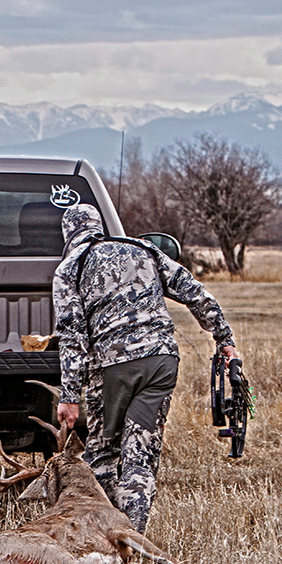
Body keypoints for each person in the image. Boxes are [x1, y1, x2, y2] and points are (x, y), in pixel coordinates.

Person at [52, 204, 237, 533]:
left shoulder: (70, 268)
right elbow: (194, 292)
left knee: (103, 455)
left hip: (112, 370)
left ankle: (107, 537)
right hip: (161, 362)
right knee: (140, 456)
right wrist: (223, 337)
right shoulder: (143, 248)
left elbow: (73, 336)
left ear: (68, 235)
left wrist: (69, 394)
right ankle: (134, 539)